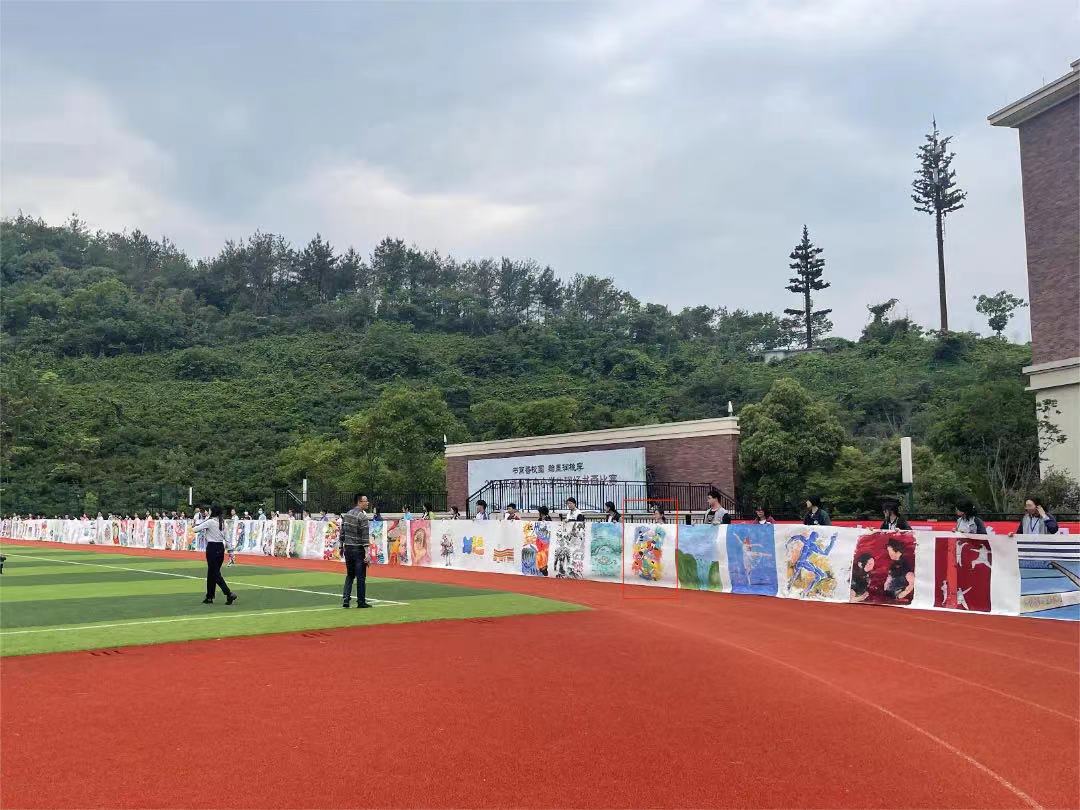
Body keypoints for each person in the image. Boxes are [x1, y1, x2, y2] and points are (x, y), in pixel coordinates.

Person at [196, 506, 236, 605]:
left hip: (212, 547)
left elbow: (195, 529)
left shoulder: (210, 522)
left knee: (214, 573)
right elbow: (227, 538)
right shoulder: (223, 522)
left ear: (212, 512)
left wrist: (200, 522)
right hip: (220, 547)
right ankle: (209, 596)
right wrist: (231, 551)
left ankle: (228, 593)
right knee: (212, 572)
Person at [340, 493, 372, 608]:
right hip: (358, 550)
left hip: (348, 548)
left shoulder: (347, 515)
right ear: (359, 502)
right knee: (361, 576)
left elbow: (342, 533)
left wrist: (341, 546)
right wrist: (367, 553)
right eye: (365, 501)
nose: (367, 503)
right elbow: (365, 537)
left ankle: (346, 599)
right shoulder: (362, 517)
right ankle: (361, 601)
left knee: (350, 575)